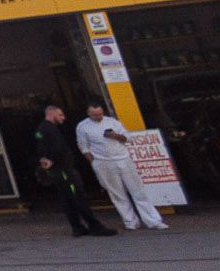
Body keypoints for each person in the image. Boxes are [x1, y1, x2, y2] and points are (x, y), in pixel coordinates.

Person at [78, 101, 168, 231]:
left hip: (123, 158)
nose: (98, 117)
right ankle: (130, 222)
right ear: (88, 114)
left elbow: (128, 138)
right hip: (103, 162)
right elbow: (84, 147)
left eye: (100, 114)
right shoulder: (82, 126)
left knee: (138, 191)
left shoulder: (112, 122)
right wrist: (94, 163)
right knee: (117, 194)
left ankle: (153, 221)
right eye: (95, 115)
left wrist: (115, 135)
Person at [32, 105, 115, 237]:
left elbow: (42, 148)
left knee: (68, 199)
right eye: (60, 115)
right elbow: (49, 149)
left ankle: (77, 227)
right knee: (77, 196)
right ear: (51, 114)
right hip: (64, 170)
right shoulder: (47, 129)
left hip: (61, 169)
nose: (63, 118)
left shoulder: (45, 129)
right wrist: (50, 159)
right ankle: (94, 226)